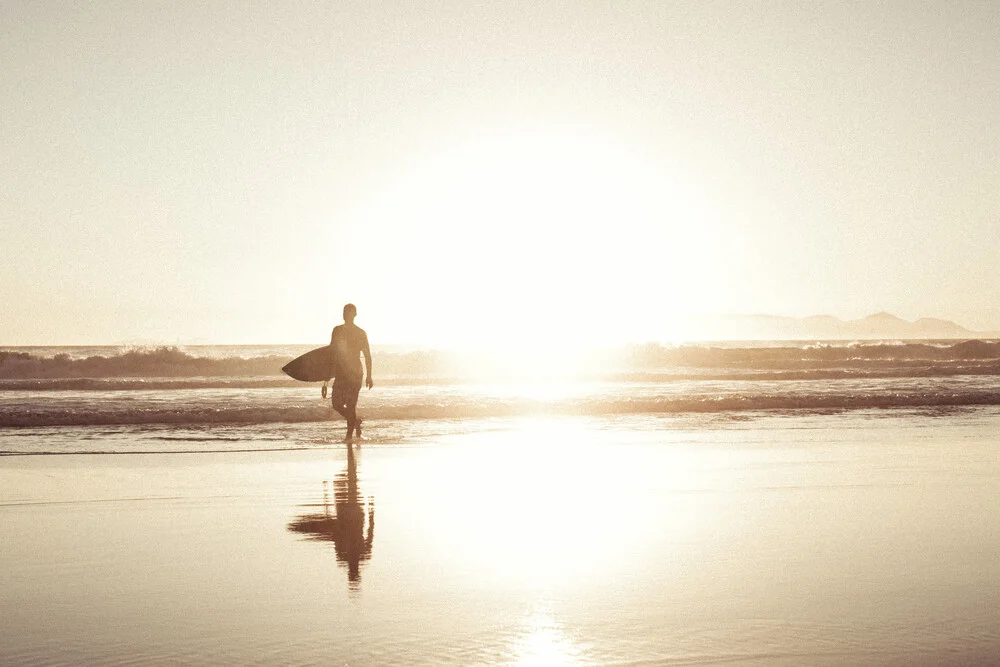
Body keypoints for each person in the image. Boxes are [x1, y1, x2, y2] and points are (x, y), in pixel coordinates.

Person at [327, 303, 373, 443]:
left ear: (355, 314)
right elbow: (331, 353)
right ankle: (355, 422)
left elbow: (367, 355)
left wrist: (369, 376)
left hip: (355, 373)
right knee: (336, 404)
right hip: (341, 372)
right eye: (344, 312)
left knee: (351, 405)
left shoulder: (360, 333)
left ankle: (348, 437)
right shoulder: (337, 331)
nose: (345, 314)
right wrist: (326, 376)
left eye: (348, 312)